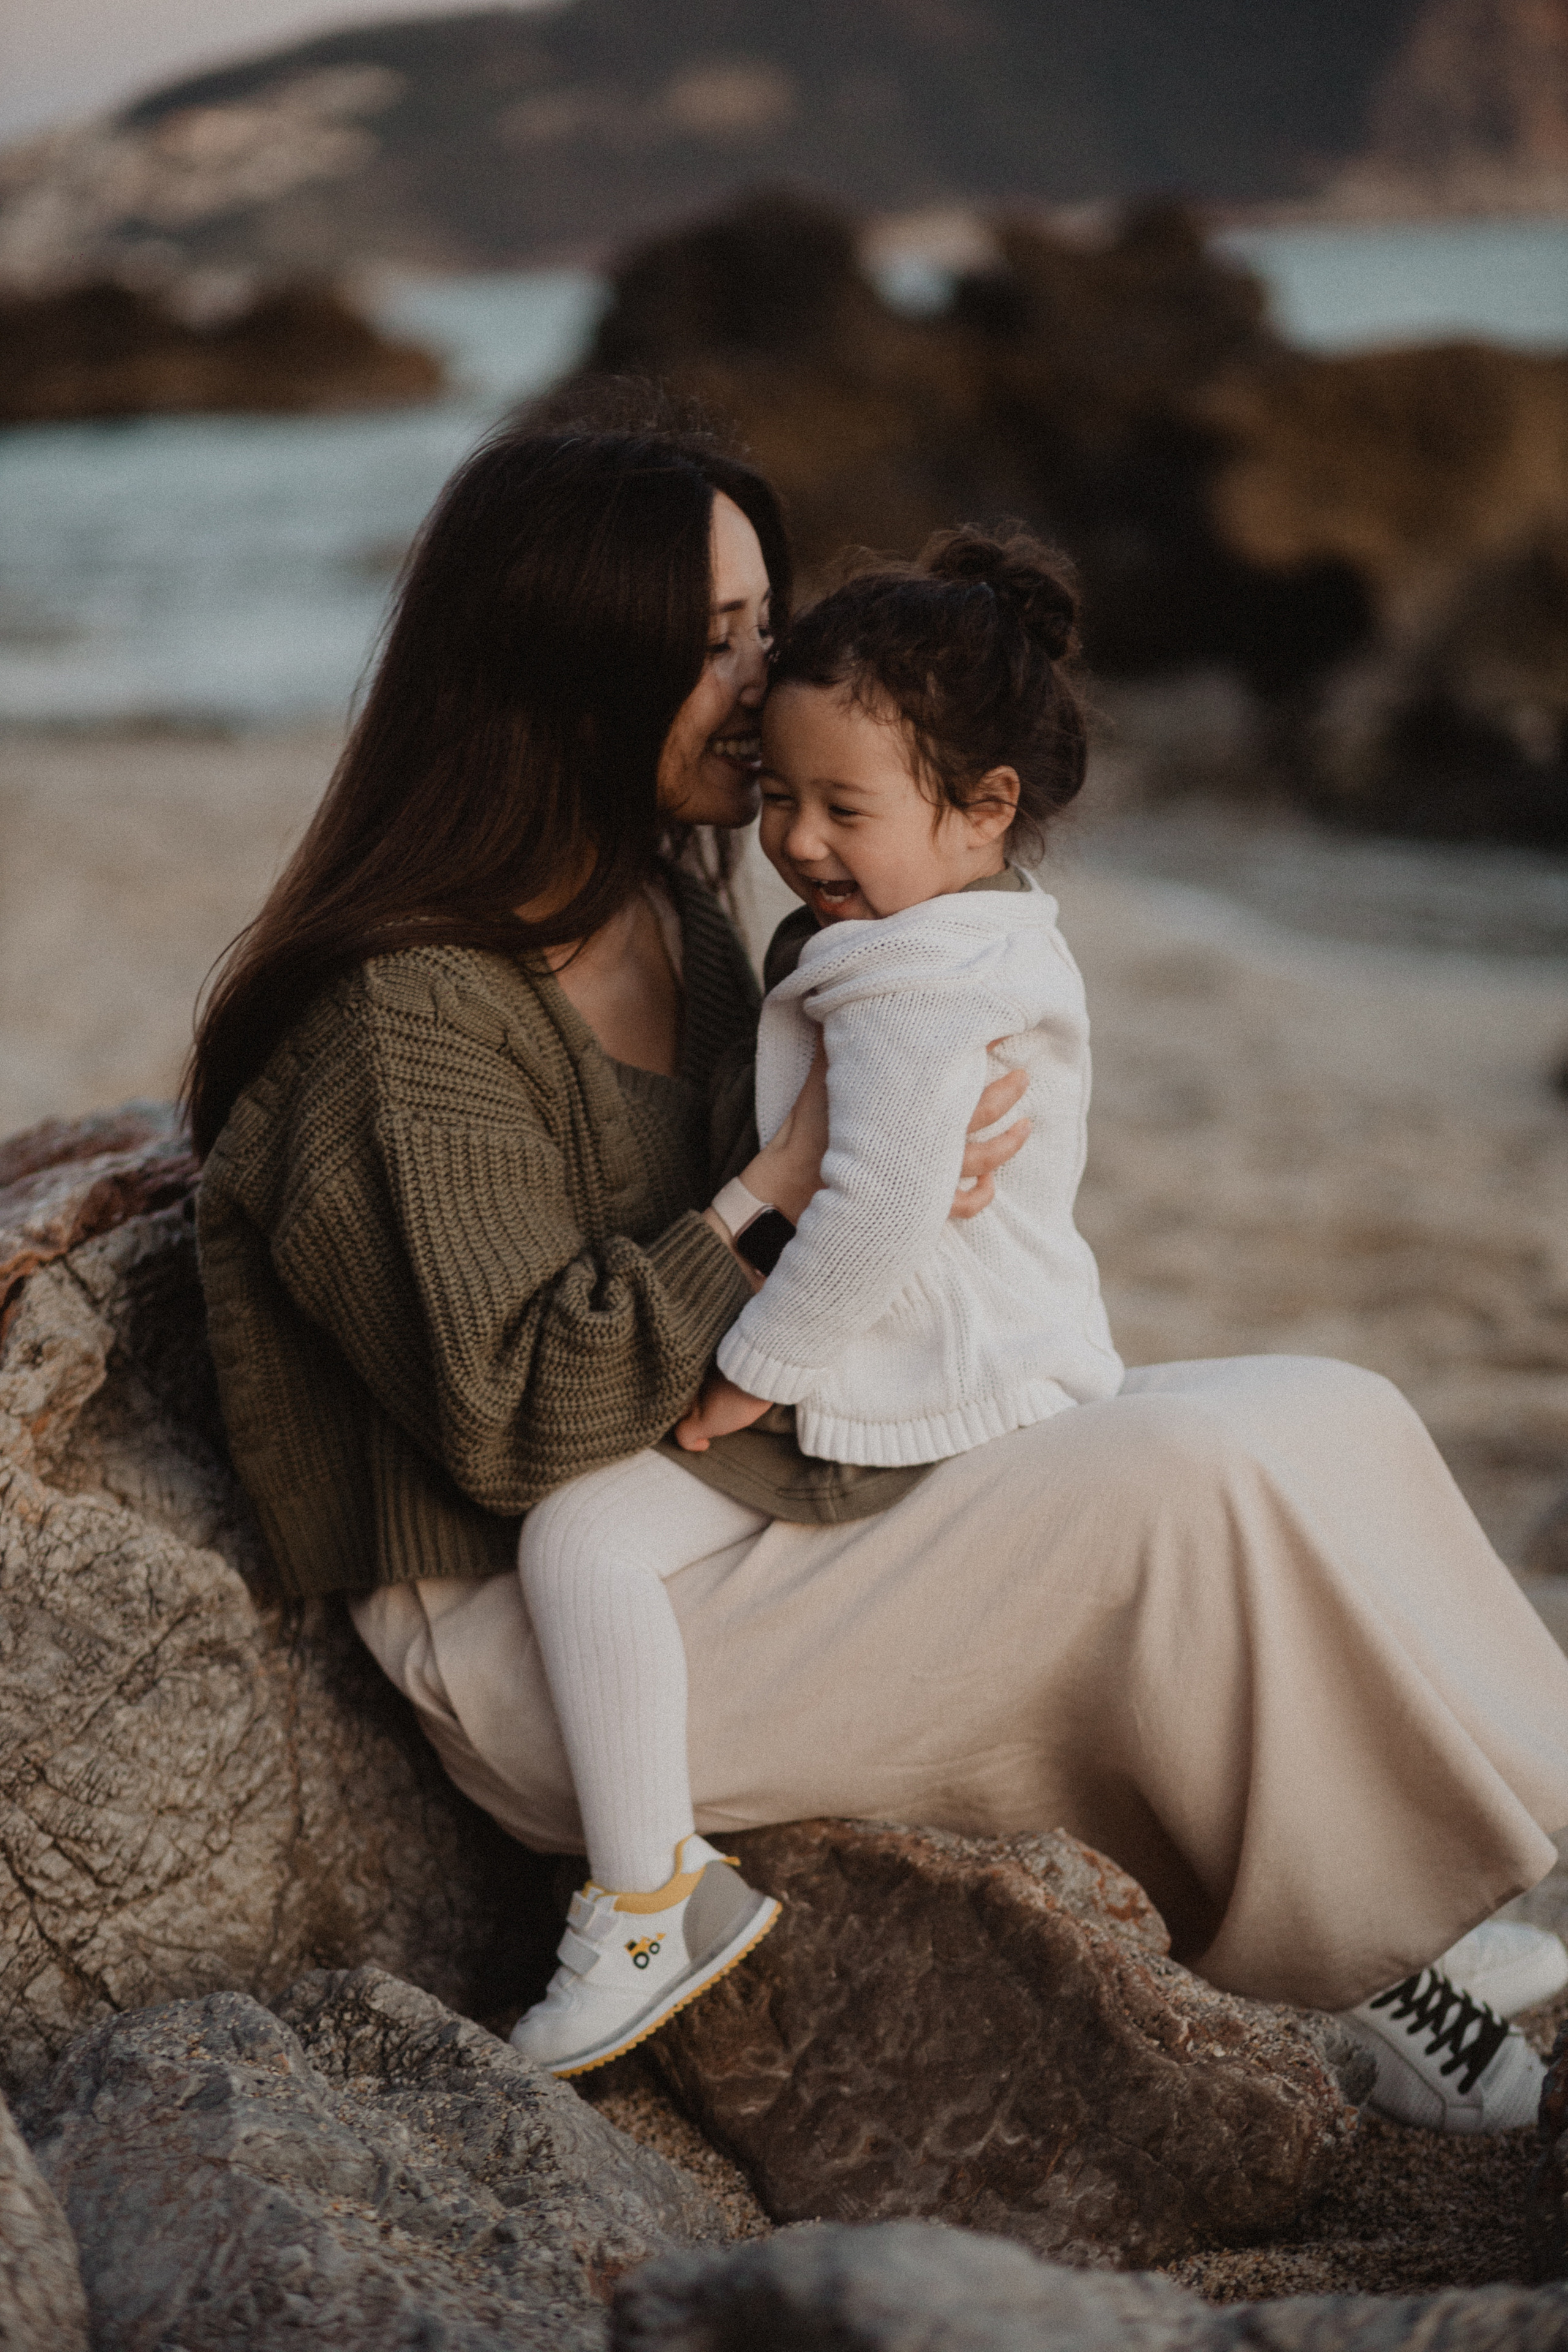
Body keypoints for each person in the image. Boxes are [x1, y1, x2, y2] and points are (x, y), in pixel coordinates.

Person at [191, 407, 1568, 2141]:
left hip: (717, 1484)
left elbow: (846, 1210)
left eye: (764, 627)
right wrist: (778, 1185)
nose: (773, 678)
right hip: (550, 1632)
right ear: (570, 669)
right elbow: (513, 1421)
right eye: (720, 645)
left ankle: (1417, 1917)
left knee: (1321, 1411)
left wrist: (889, 1187)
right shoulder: (407, 1018)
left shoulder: (676, 923)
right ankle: (1376, 1962)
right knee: (1179, 1487)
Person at [510, 526, 1128, 2073]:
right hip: (963, 1348)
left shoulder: (916, 977)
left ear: (985, 812)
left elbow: (873, 1207)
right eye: (779, 797)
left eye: (844, 808)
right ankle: (660, 1889)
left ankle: (649, 1896)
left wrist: (746, 1374)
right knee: (594, 1539)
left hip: (897, 1374)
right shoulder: (939, 929)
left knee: (577, 1541)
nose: (795, 839)